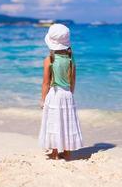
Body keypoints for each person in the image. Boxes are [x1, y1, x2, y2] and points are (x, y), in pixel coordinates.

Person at [38, 24, 83, 160]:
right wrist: (71, 93)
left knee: (54, 121)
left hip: (55, 94)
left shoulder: (49, 60)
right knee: (66, 122)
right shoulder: (71, 59)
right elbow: (73, 79)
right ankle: (67, 151)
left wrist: (43, 99)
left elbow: (46, 82)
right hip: (68, 94)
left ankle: (55, 152)